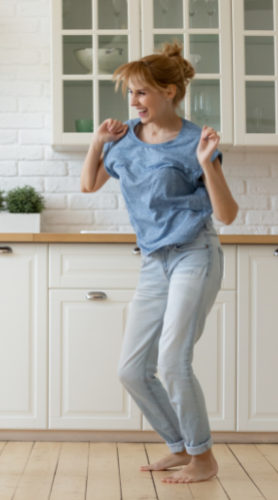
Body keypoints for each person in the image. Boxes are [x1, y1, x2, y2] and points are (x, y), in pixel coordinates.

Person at [80, 42, 239, 484]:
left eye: (142, 93)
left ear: (170, 92)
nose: (133, 103)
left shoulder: (196, 141)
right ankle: (179, 447)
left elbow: (226, 215)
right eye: (130, 94)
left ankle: (203, 458)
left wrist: (208, 165)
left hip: (195, 253)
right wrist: (97, 142)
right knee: (132, 369)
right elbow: (89, 184)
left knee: (172, 360)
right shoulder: (124, 136)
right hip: (154, 261)